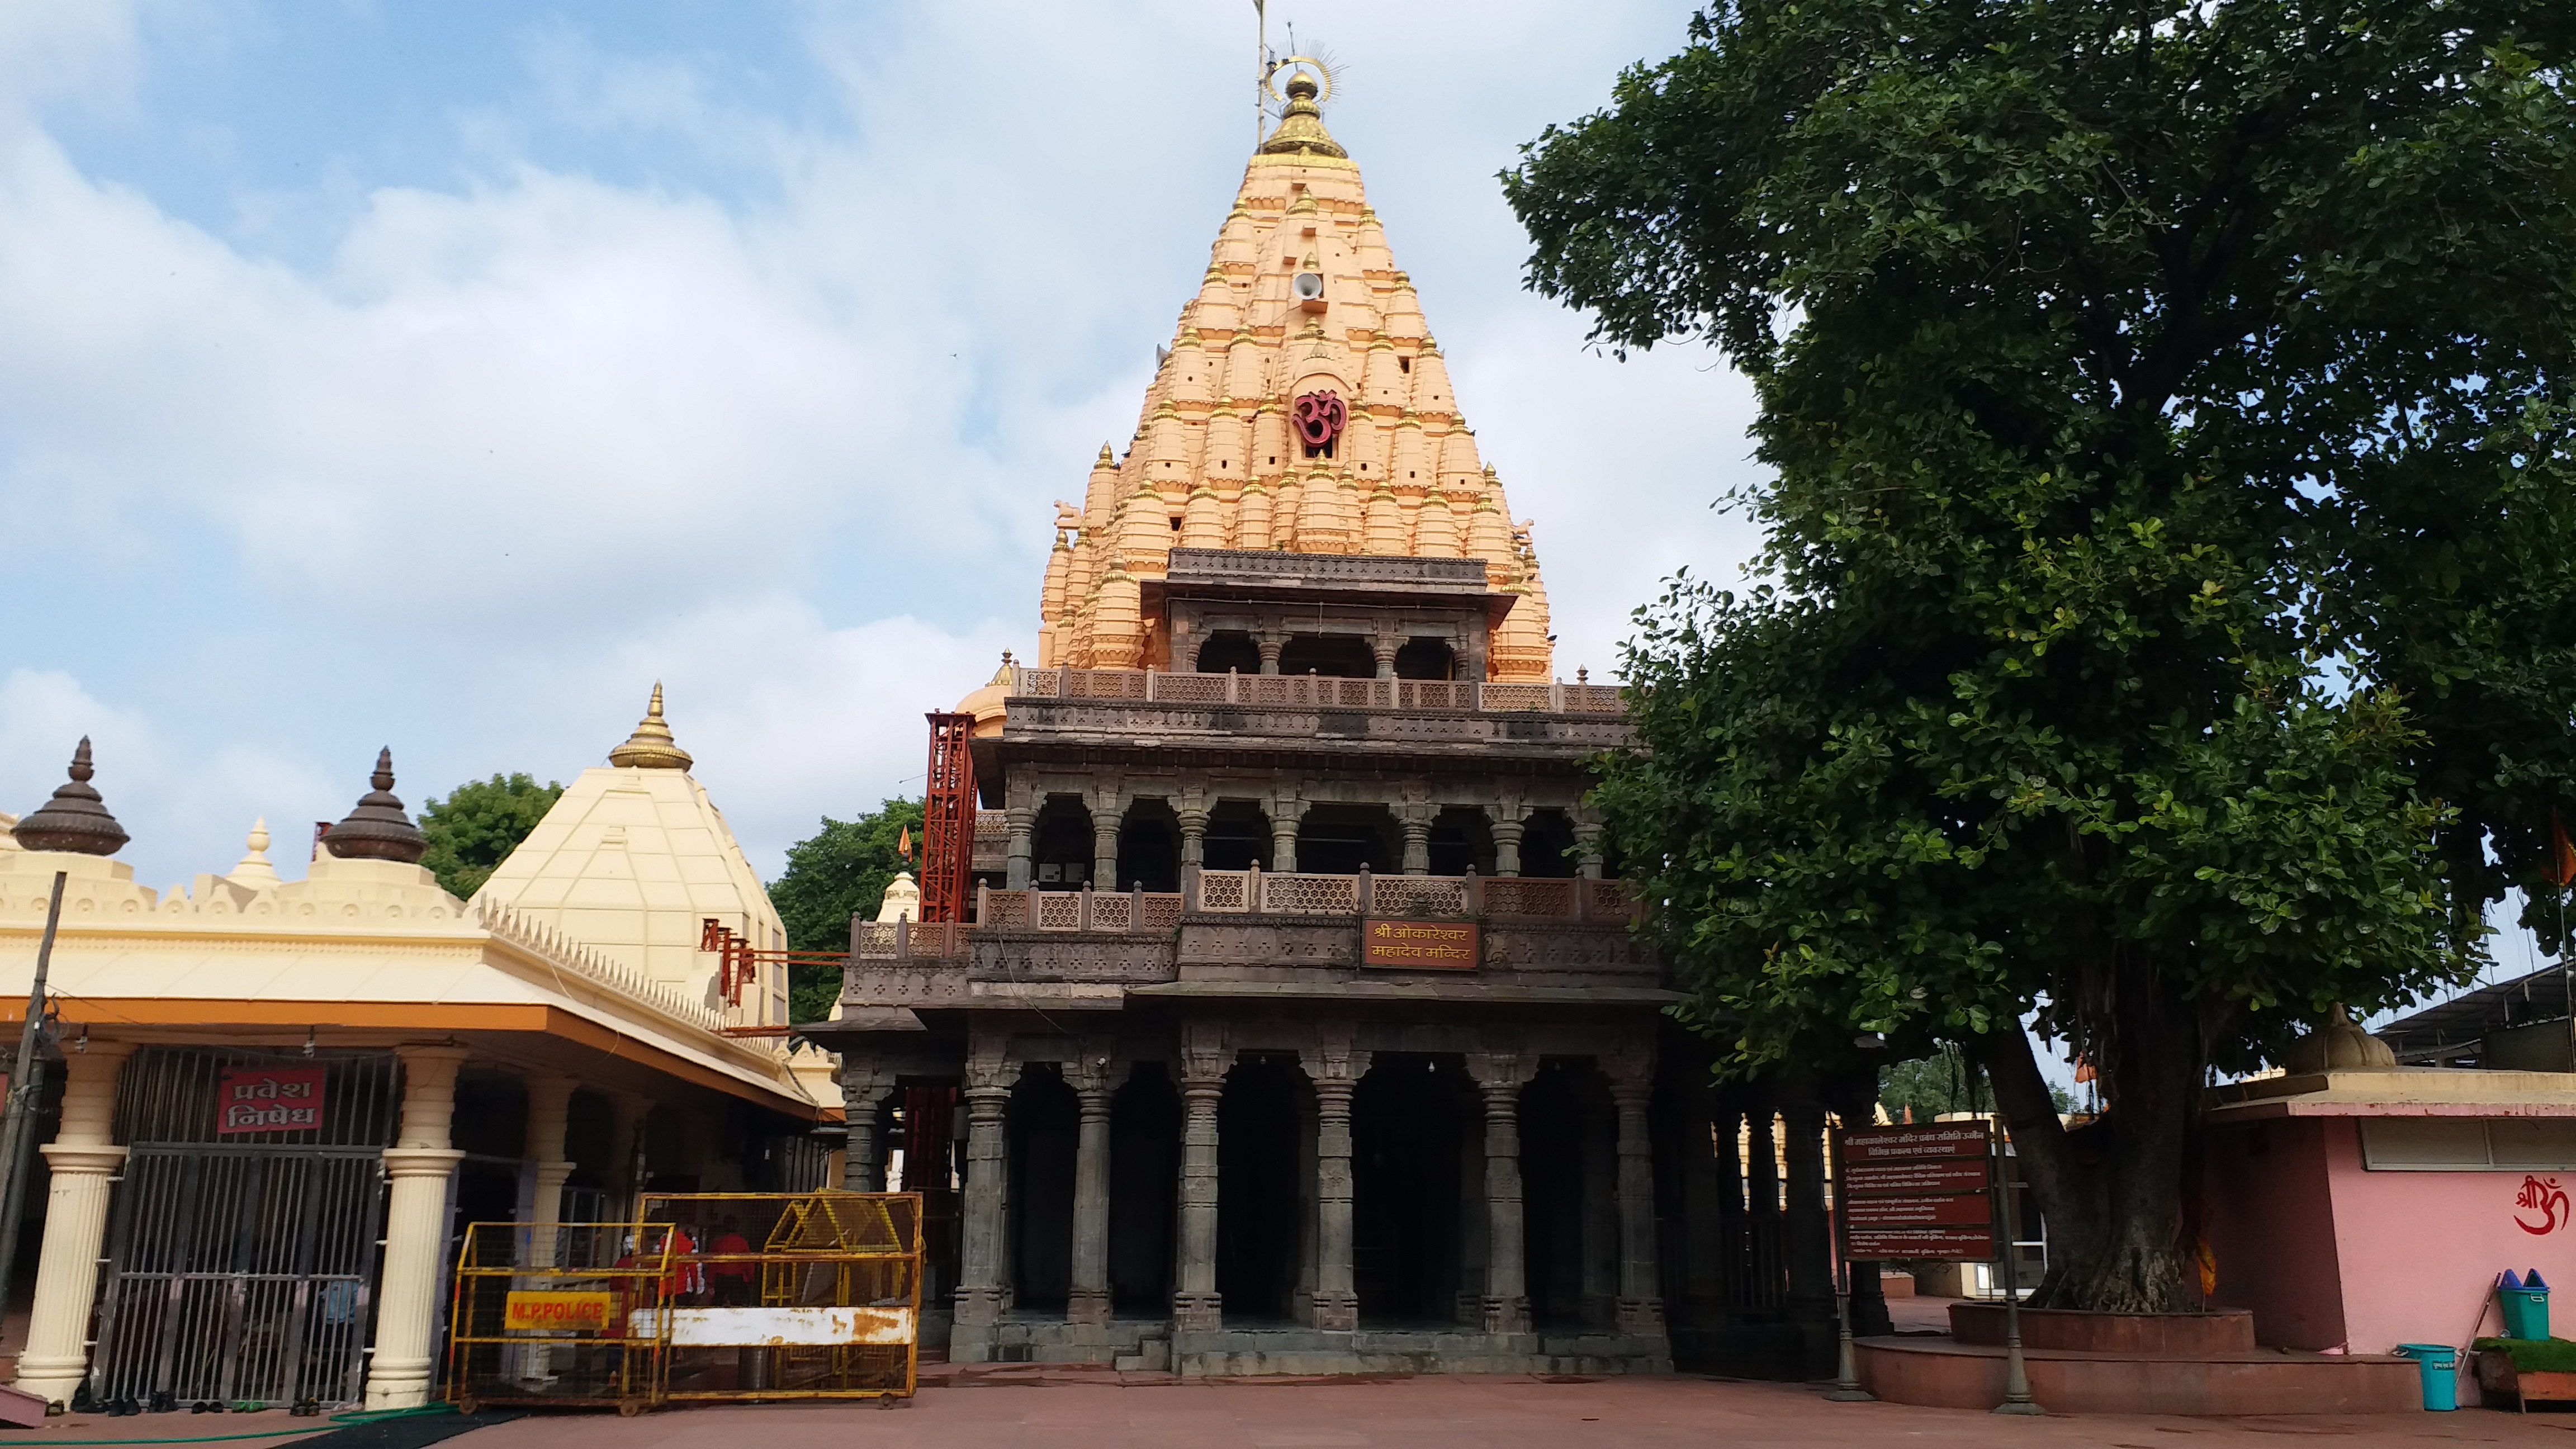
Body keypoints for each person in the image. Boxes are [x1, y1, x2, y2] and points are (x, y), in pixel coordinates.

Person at [709, 1216, 756, 1307]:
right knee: (737, 1306)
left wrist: (710, 1282)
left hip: (720, 1279)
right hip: (737, 1280)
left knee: (717, 1307)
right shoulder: (743, 1243)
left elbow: (713, 1264)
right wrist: (751, 1279)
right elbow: (749, 1264)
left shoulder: (718, 1243)